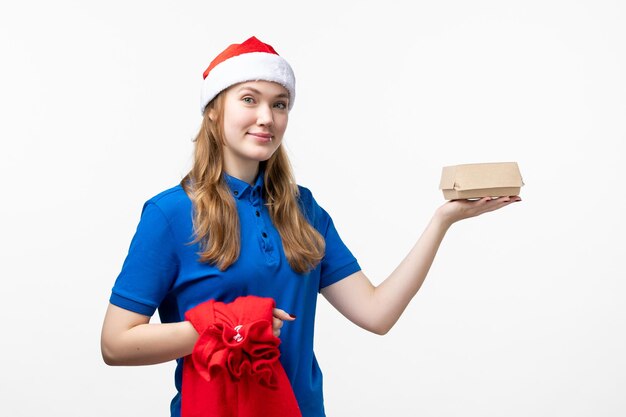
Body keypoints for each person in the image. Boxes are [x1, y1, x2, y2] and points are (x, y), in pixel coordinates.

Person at [100, 36, 521, 417]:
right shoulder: (170, 213)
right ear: (214, 112)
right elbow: (116, 344)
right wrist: (232, 324)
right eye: (249, 99)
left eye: (279, 104)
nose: (266, 117)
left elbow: (376, 313)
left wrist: (442, 222)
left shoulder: (302, 208)